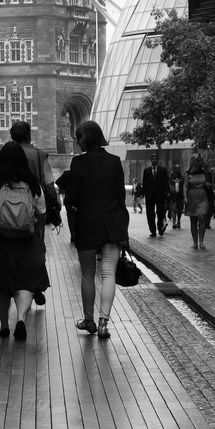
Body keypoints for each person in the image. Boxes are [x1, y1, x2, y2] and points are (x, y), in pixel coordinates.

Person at [0, 142, 47, 341]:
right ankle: (20, 318)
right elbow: (42, 213)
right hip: (27, 239)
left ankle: (4, 325)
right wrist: (39, 237)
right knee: (25, 282)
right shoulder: (32, 183)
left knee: (0, 285)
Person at [67, 121, 129, 340]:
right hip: (112, 224)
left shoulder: (78, 163)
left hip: (87, 225)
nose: (76, 140)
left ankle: (89, 319)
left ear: (87, 138)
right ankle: (104, 322)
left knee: (87, 274)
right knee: (109, 273)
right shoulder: (114, 162)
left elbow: (72, 196)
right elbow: (120, 197)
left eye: (78, 137)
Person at [9, 120, 59, 303]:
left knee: (14, 248)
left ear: (12, 136)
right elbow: (49, 183)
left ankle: (18, 284)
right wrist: (56, 205)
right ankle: (36, 284)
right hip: (36, 208)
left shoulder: (9, 153)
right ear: (29, 135)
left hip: (11, 210)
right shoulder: (39, 155)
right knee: (37, 247)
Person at [183, 152, 211, 250]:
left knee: (202, 218)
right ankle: (195, 242)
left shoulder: (204, 172)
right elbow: (185, 186)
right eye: (199, 161)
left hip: (202, 196)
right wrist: (185, 197)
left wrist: (207, 185)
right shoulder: (188, 172)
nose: (201, 162)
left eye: (201, 161)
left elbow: (208, 182)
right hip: (192, 196)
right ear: (194, 162)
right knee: (193, 220)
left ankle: (202, 241)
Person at [142, 152, 170, 237]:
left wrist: (167, 192)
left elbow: (165, 182)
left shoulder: (163, 170)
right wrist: (142, 193)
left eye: (156, 159)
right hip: (150, 195)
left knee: (161, 213)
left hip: (160, 195)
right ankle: (153, 231)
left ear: (158, 160)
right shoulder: (146, 171)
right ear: (151, 160)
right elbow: (145, 183)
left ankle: (160, 228)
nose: (154, 161)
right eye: (153, 159)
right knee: (150, 214)